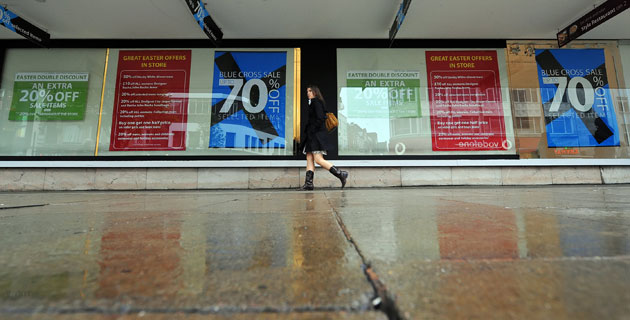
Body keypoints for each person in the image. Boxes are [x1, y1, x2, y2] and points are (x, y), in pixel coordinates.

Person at [298, 85, 348, 190]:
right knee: (309, 158)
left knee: (318, 159)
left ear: (315, 92)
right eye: (307, 91)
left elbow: (320, 119)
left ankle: (341, 174)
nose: (308, 93)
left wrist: (312, 130)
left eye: (310, 91)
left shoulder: (316, 102)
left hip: (316, 136)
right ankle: (309, 184)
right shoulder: (314, 103)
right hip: (312, 136)